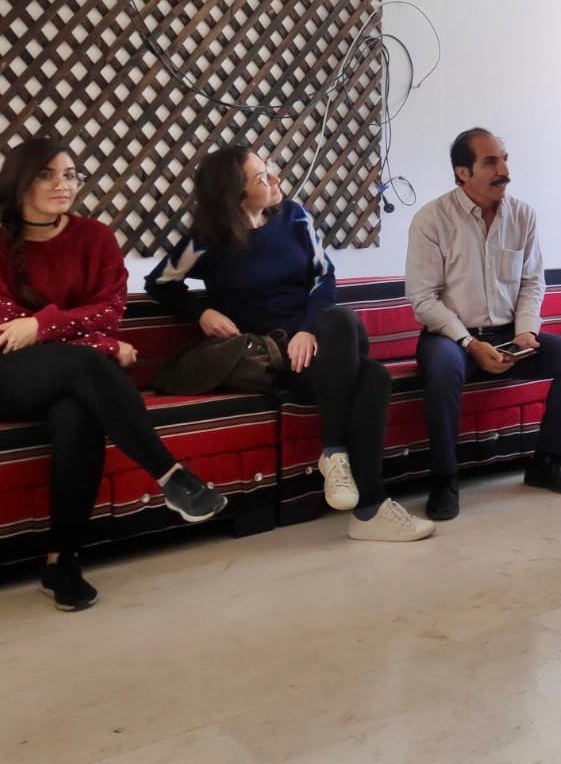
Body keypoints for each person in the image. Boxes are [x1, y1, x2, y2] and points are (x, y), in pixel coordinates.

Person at [146, 145, 433, 543]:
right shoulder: (209, 240)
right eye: (262, 177)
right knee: (374, 378)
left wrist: (308, 330)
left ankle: (334, 453)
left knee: (341, 321)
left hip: (319, 346)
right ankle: (370, 511)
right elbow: (160, 283)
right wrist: (201, 313)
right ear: (236, 194)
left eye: (270, 170)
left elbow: (324, 277)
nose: (276, 179)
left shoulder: (295, 217)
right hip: (275, 360)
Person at [0, 138, 227, 611]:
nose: (63, 185)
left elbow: (108, 311)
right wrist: (101, 345)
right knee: (89, 364)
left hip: (68, 375)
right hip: (9, 374)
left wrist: (43, 326)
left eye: (70, 174)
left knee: (78, 414)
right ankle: (170, 474)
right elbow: (7, 328)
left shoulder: (95, 237)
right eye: (47, 175)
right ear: (19, 182)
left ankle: (62, 561)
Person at [407, 128, 561, 520]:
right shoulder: (431, 220)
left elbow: (532, 282)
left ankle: (548, 463)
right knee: (443, 369)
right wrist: (469, 344)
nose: (504, 170)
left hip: (510, 335)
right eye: (491, 162)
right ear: (462, 172)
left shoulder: (523, 215)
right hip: (451, 338)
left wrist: (526, 330)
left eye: (505, 159)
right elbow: (424, 300)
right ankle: (444, 480)